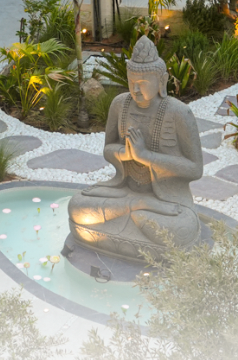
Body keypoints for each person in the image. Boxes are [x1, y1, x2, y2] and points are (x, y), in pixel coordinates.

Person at [67, 35, 205, 262]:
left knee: (181, 230)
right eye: (131, 82)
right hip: (124, 189)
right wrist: (125, 153)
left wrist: (145, 156)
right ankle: (137, 205)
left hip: (168, 200)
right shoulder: (120, 104)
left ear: (161, 81)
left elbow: (194, 169)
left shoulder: (179, 113)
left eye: (142, 83)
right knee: (77, 206)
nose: (136, 90)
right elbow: (108, 148)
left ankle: (134, 211)